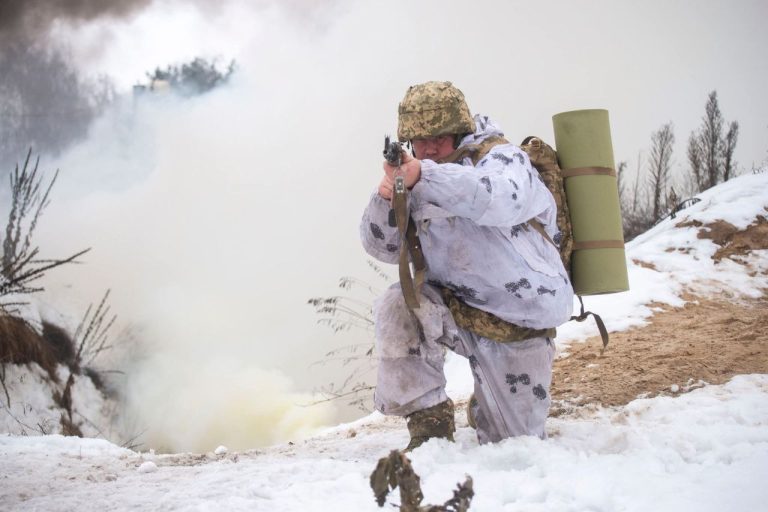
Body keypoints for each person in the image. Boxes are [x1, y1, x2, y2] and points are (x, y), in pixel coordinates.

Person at [360, 81, 573, 450]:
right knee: (399, 306)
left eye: (439, 137)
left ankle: (486, 404)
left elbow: (498, 199)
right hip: (456, 310)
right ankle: (429, 425)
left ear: (460, 130)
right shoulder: (416, 176)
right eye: (419, 140)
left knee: (515, 446)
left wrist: (426, 177)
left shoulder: (503, 159)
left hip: (518, 319)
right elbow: (380, 246)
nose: (428, 148)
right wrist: (387, 196)